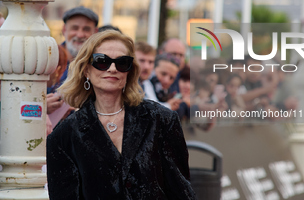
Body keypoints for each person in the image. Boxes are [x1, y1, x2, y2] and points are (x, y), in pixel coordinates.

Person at [46, 31, 195, 199]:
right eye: (102, 61)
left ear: (130, 71)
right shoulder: (63, 136)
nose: (112, 68)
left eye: (122, 63)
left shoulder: (162, 120)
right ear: (86, 69)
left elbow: (181, 191)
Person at [46, 6, 98, 115]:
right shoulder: (47, 60)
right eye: (75, 28)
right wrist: (41, 107)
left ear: (95, 33)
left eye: (86, 29)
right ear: (64, 30)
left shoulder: (102, 66)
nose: (79, 35)